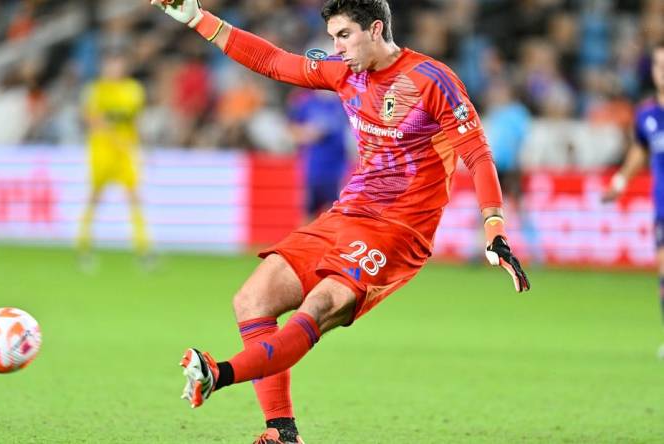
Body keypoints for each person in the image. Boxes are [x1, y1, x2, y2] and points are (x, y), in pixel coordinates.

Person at [151, 1, 531, 443]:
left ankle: (219, 374)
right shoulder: (344, 72)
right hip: (346, 214)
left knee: (318, 308)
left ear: (375, 29)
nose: (336, 47)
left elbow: (478, 154)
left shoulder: (432, 80)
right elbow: (273, 62)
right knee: (251, 300)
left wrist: (494, 227)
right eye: (332, 37)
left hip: (397, 230)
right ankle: (282, 431)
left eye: (344, 36)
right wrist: (199, 17)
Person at [601, 41, 664, 359]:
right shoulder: (648, 115)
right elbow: (641, 149)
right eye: (658, 65)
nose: (662, 72)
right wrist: (621, 180)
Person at [77, 51, 151, 268]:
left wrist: (140, 146)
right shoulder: (96, 90)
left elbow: (136, 120)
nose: (114, 69)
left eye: (118, 64)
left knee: (134, 198)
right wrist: (113, 138)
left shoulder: (134, 90)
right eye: (110, 64)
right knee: (95, 197)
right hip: (102, 151)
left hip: (126, 152)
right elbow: (91, 120)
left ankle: (143, 250)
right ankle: (84, 246)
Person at [287, 88, 350, 219]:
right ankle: (302, 240)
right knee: (308, 215)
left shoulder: (343, 102)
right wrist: (308, 133)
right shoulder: (308, 102)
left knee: (334, 216)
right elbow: (292, 130)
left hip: (337, 171)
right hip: (313, 171)